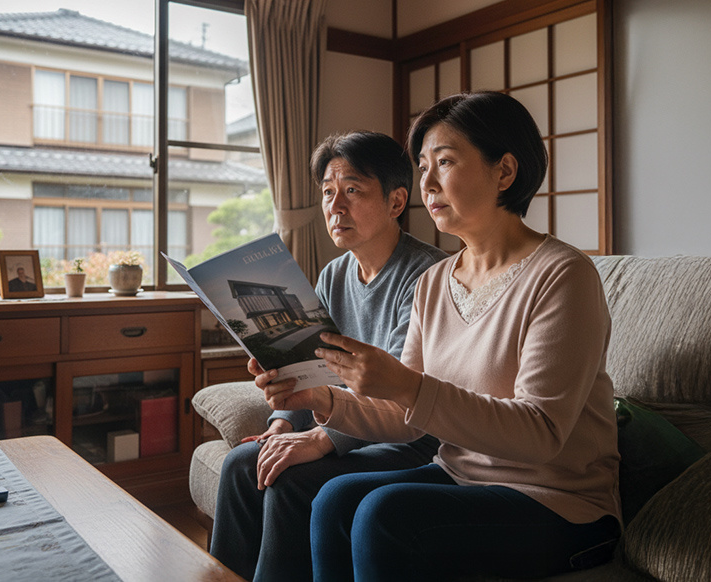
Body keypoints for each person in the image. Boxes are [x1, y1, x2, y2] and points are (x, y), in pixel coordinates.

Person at [257, 93, 621, 581]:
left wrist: (405, 386)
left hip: (558, 501)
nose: (425, 183)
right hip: (461, 476)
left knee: (382, 515)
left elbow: (542, 434)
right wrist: (320, 397)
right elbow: (407, 420)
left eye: (444, 163)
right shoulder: (435, 281)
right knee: (333, 500)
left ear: (504, 172)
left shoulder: (562, 275)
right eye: (422, 166)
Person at [210, 130, 447, 582]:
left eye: (352, 191)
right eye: (327, 193)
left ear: (397, 203)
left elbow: (399, 403)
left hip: (406, 440)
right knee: (243, 464)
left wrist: (318, 442)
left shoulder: (426, 276)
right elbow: (309, 371)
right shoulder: (334, 275)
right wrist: (279, 426)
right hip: (342, 420)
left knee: (290, 478)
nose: (335, 207)